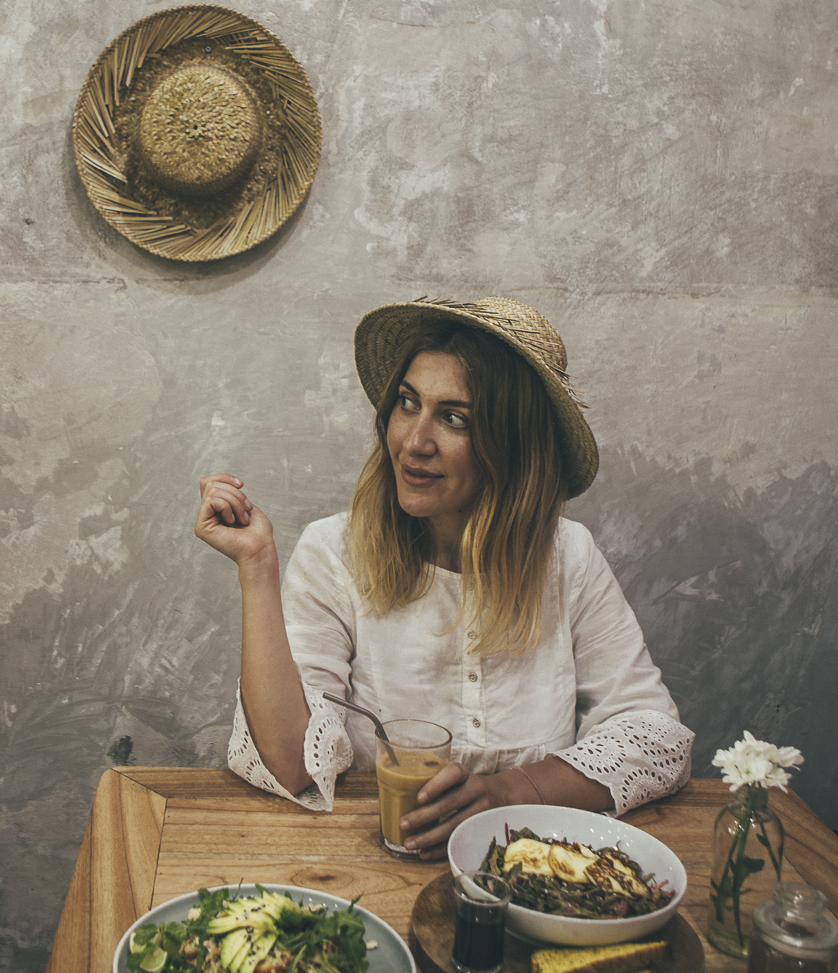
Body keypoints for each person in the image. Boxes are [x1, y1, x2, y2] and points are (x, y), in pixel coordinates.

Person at [194, 295, 693, 861]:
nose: (414, 442)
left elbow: (656, 739)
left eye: (454, 418)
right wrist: (257, 567)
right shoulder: (335, 552)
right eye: (408, 404)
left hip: (531, 870)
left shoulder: (567, 558)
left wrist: (506, 793)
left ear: (514, 445)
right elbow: (292, 765)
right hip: (373, 859)